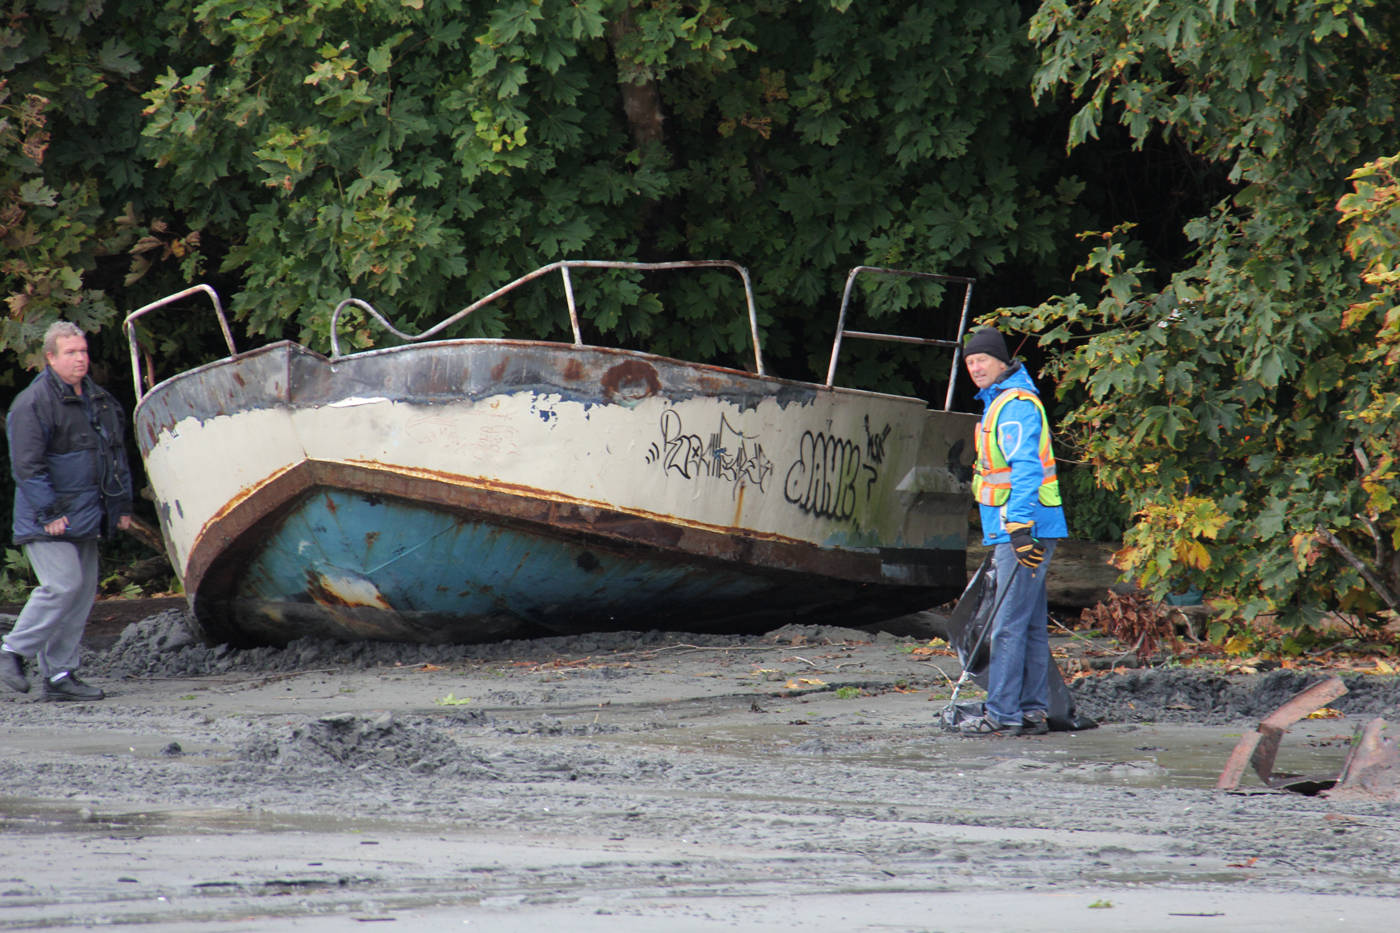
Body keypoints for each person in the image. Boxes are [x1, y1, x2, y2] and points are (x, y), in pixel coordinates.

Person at [1, 322, 133, 701]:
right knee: (62, 585)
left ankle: (60, 677)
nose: (80, 359)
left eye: (83, 351)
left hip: (87, 515)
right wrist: (49, 513)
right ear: (51, 358)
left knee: (79, 596)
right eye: (71, 352)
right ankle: (10, 651)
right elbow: (27, 466)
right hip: (48, 520)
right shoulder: (32, 403)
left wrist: (120, 506)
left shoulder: (100, 399)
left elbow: (115, 457)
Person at [957, 326, 1067, 736]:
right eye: (969, 362)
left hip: (1022, 528)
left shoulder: (1014, 405)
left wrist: (1019, 529)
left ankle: (1002, 714)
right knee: (1030, 623)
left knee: (1007, 625)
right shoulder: (1001, 402)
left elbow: (1026, 469)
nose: (975, 368)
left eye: (981, 359)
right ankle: (1033, 711)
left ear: (1002, 361)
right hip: (1028, 526)